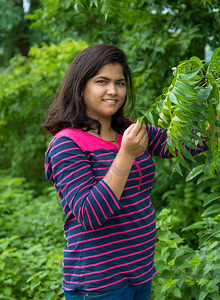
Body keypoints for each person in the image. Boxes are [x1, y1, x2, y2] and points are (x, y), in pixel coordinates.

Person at [43, 44, 208, 300]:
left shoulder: (128, 130)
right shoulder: (67, 144)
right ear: (81, 87)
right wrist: (126, 155)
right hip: (100, 284)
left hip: (140, 273)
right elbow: (90, 214)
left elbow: (189, 143)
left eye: (120, 83)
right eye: (102, 82)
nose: (113, 91)